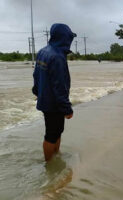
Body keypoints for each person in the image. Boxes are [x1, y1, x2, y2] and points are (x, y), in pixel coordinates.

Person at [32, 23, 76, 161]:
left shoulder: (43, 51)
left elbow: (36, 75)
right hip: (54, 103)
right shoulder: (57, 57)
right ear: (64, 38)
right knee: (51, 135)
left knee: (57, 131)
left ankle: (56, 157)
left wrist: (38, 93)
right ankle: (50, 166)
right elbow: (60, 86)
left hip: (45, 100)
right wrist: (67, 109)